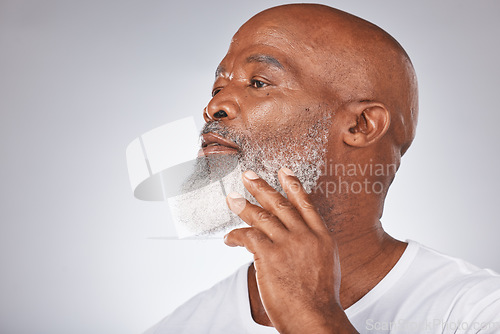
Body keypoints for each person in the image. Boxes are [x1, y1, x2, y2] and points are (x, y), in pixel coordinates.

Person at [145, 4, 500, 333]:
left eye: (259, 82)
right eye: (218, 86)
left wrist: (311, 315)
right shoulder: (181, 326)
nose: (214, 106)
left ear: (361, 125)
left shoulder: (477, 313)